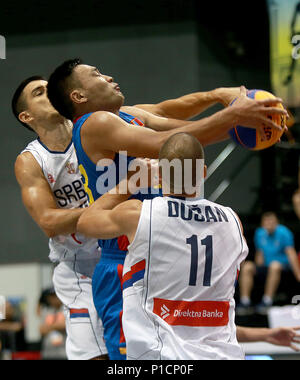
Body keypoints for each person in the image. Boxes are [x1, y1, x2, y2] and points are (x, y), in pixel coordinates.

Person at [47, 58, 287, 360]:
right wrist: (233, 115)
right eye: (96, 75)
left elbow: (184, 133)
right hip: (125, 257)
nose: (108, 77)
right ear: (78, 96)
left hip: (161, 250)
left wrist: (239, 119)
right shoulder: (95, 123)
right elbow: (166, 143)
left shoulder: (127, 116)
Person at [77, 133, 250, 359]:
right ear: (204, 173)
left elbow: (84, 222)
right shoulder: (233, 220)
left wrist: (132, 182)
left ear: (159, 175)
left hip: (161, 356)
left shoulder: (138, 214)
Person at [13, 76, 108, 360]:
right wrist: (109, 208)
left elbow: (161, 113)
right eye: (40, 92)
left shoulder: (96, 126)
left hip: (124, 254)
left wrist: (221, 108)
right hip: (79, 267)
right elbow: (48, 222)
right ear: (27, 115)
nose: (50, 93)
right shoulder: (32, 160)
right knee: (95, 355)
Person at [238, 212, 300, 315]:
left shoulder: (284, 232)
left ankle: (267, 301)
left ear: (276, 222)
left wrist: (298, 275)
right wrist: (257, 268)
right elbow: (260, 253)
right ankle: (245, 302)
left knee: (274, 265)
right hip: (266, 267)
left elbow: (291, 254)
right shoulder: (259, 233)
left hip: (282, 267)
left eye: (272, 221)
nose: (269, 224)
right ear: (262, 224)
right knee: (248, 266)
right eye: (266, 222)